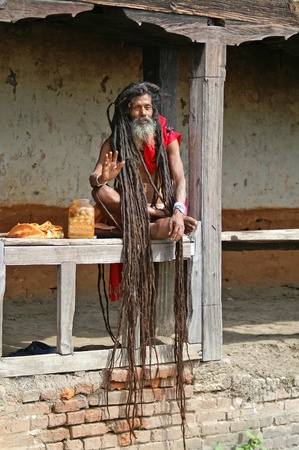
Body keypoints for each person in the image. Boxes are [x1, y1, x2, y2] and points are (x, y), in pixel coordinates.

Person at [89, 82, 197, 241]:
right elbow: (94, 179)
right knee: (100, 191)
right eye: (136, 108)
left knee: (169, 228)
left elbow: (180, 179)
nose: (143, 113)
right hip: (126, 212)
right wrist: (102, 179)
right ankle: (148, 224)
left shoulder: (168, 139)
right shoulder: (114, 142)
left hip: (159, 209)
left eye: (147, 107)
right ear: (128, 111)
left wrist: (178, 212)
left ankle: (129, 230)